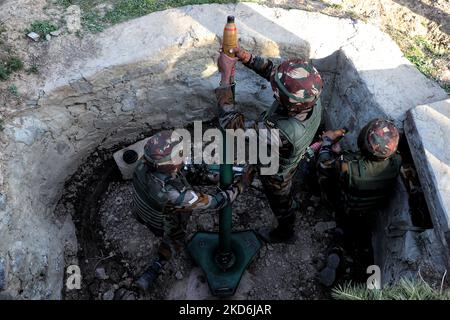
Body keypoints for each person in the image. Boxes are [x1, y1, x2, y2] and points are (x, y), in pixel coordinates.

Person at [216, 47, 323, 243]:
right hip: (285, 153)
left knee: (281, 202)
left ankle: (285, 232)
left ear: (286, 102)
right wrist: (248, 59)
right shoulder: (310, 95)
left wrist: (225, 79)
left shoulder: (282, 132)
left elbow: (231, 125)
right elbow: (275, 75)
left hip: (276, 173)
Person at [132, 130, 252, 291]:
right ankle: (160, 261)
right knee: (174, 238)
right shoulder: (173, 194)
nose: (184, 154)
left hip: (142, 209)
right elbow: (216, 202)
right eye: (180, 154)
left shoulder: (144, 164)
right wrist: (241, 184)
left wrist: (209, 175)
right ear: (168, 165)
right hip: (161, 221)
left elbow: (182, 172)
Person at [316, 118, 402, 286]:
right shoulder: (396, 162)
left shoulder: (348, 166)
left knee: (323, 179)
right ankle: (355, 258)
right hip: (370, 209)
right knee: (357, 232)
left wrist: (327, 144)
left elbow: (324, 165)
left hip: (346, 205)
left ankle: (337, 248)